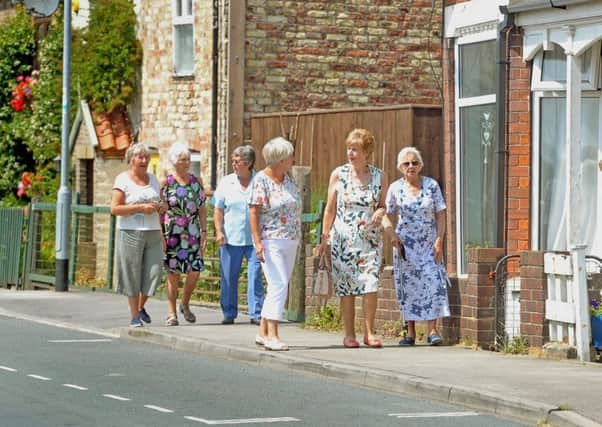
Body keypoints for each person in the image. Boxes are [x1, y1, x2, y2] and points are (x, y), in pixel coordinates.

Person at [319, 128, 392, 349]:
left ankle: (370, 333)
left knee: (371, 284)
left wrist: (380, 212)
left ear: (367, 152)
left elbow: (383, 205)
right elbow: (330, 210)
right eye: (349, 149)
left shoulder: (380, 176)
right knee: (347, 288)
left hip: (370, 239)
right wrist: (324, 238)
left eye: (356, 149)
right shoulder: (338, 174)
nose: (351, 153)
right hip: (343, 239)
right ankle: (349, 334)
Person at [385, 146, 450, 346]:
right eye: (407, 163)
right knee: (408, 288)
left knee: (433, 283)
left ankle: (432, 330)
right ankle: (410, 333)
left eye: (414, 162)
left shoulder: (431, 186)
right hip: (406, 247)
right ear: (400, 167)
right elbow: (385, 214)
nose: (411, 166)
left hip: (429, 245)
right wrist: (392, 235)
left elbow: (441, 213)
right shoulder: (395, 188)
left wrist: (440, 239)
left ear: (420, 165)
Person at [249, 137, 301, 351]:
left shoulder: (288, 179)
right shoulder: (261, 179)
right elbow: (254, 211)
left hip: (290, 239)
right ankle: (273, 334)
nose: (293, 159)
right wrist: (257, 242)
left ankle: (262, 332)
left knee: (278, 286)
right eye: (290, 156)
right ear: (280, 159)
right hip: (271, 239)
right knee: (278, 284)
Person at [111, 143, 166, 327]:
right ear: (131, 159)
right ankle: (134, 315)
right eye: (140, 157)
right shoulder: (122, 180)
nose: (144, 161)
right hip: (130, 231)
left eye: (146, 157)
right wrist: (140, 208)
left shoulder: (154, 179)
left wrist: (160, 207)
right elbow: (115, 208)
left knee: (155, 273)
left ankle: (141, 306)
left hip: (153, 232)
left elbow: (163, 204)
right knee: (132, 274)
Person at [214, 145, 264, 325]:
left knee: (255, 276)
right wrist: (219, 231)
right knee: (228, 276)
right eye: (233, 161)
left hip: (254, 239)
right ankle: (229, 312)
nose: (234, 164)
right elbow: (218, 209)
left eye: (237, 161)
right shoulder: (226, 182)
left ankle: (256, 313)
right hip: (231, 237)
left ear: (249, 163)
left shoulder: (261, 180)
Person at [161, 142, 208, 326]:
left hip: (193, 231)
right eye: (183, 159)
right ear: (174, 161)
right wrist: (160, 234)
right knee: (173, 273)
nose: (187, 162)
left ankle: (185, 303)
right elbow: (160, 209)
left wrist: (204, 231)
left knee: (195, 270)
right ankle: (171, 313)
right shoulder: (166, 182)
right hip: (172, 232)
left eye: (188, 159)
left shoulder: (196, 182)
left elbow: (202, 208)